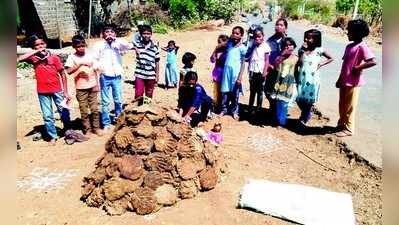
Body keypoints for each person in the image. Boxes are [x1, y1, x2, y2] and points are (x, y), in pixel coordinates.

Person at [17, 35, 71, 145]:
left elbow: (62, 74)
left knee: (63, 111)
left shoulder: (54, 57)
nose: (40, 46)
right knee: (47, 115)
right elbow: (19, 59)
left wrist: (65, 91)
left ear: (46, 44)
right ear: (33, 47)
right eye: (37, 45)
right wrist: (34, 52)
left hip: (57, 89)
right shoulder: (33, 58)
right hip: (42, 91)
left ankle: (68, 131)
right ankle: (53, 136)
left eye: (42, 44)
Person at [335, 19, 377, 137]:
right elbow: (344, 65)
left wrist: (358, 67)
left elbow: (372, 61)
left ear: (357, 33)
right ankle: (341, 124)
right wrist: (339, 79)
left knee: (350, 106)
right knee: (342, 105)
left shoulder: (362, 46)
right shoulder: (349, 46)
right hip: (344, 80)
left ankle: (349, 129)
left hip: (354, 82)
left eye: (350, 31)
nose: (347, 33)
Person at [93, 25, 133, 131]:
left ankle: (118, 120)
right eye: (107, 32)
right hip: (104, 76)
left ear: (115, 34)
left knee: (118, 99)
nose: (109, 34)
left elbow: (129, 46)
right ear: (103, 34)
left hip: (117, 76)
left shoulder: (118, 44)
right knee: (105, 101)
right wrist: (100, 70)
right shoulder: (99, 45)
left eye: (112, 32)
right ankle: (106, 123)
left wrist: (117, 40)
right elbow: (94, 59)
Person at [65, 35, 103, 138]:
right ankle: (87, 129)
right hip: (81, 88)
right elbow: (68, 71)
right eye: (78, 46)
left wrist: (97, 85)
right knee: (84, 110)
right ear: (74, 47)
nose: (81, 48)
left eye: (82, 45)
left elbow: (96, 70)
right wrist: (80, 64)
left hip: (92, 85)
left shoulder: (90, 55)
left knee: (95, 109)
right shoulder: (71, 57)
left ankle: (96, 128)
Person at [296, 29, 333, 127]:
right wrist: (302, 52)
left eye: (309, 38)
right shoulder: (302, 50)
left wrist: (321, 63)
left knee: (308, 101)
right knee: (299, 99)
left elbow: (331, 58)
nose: (306, 40)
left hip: (312, 80)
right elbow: (299, 63)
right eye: (305, 37)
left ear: (316, 39)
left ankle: (304, 118)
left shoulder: (319, 50)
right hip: (302, 79)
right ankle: (307, 113)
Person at [266, 37, 298, 126]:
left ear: (294, 46)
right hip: (279, 81)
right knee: (279, 101)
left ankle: (281, 122)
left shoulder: (296, 58)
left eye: (290, 45)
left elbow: (297, 71)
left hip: (289, 82)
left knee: (285, 103)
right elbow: (275, 66)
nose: (288, 47)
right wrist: (282, 56)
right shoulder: (280, 57)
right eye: (286, 46)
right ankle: (278, 120)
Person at [220, 26, 247, 120]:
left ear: (241, 35)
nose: (235, 35)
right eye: (233, 33)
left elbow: (243, 63)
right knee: (225, 91)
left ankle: (234, 111)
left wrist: (240, 77)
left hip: (235, 73)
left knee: (235, 93)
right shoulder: (229, 45)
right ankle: (224, 109)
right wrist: (229, 39)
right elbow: (221, 45)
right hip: (227, 72)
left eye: (237, 33)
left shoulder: (243, 48)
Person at [133, 24, 160, 105]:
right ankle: (137, 112)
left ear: (151, 34)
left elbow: (157, 61)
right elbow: (127, 46)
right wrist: (134, 48)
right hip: (139, 74)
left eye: (148, 33)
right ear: (141, 34)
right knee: (138, 94)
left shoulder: (155, 47)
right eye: (144, 33)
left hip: (151, 75)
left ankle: (146, 112)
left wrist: (157, 75)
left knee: (149, 95)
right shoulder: (138, 45)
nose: (146, 35)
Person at [265, 18, 288, 113]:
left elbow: (289, 55)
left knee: (279, 91)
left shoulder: (287, 41)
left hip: (282, 70)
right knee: (268, 90)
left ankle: (277, 112)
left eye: (281, 25)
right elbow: (266, 54)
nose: (278, 27)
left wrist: (284, 38)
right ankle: (272, 106)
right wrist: (268, 65)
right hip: (271, 69)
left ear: (286, 28)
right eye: (277, 24)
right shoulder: (270, 40)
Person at [246, 27, 271, 113]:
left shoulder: (265, 46)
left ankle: (259, 108)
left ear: (263, 36)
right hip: (252, 70)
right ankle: (250, 107)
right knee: (252, 90)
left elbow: (267, 60)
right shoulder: (252, 45)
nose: (257, 38)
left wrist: (265, 72)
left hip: (260, 71)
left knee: (260, 91)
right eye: (255, 37)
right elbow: (249, 57)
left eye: (259, 36)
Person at [210, 34, 229, 112]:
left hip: (225, 72)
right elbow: (212, 60)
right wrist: (215, 49)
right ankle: (218, 106)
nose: (220, 44)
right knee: (217, 90)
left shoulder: (228, 51)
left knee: (224, 91)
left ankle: (224, 106)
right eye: (219, 42)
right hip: (217, 72)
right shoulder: (217, 50)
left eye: (221, 42)